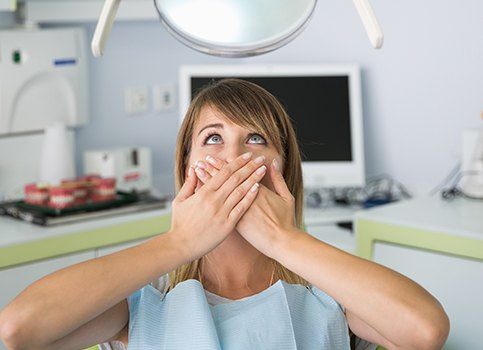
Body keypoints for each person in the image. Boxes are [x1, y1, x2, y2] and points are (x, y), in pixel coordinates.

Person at [0, 79, 449, 350]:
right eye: (212, 138)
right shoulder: (144, 301)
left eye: (255, 139)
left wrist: (284, 240)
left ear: (283, 169)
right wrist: (178, 244)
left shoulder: (326, 297)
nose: (233, 156)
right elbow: (19, 330)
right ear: (185, 167)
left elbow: (424, 331)